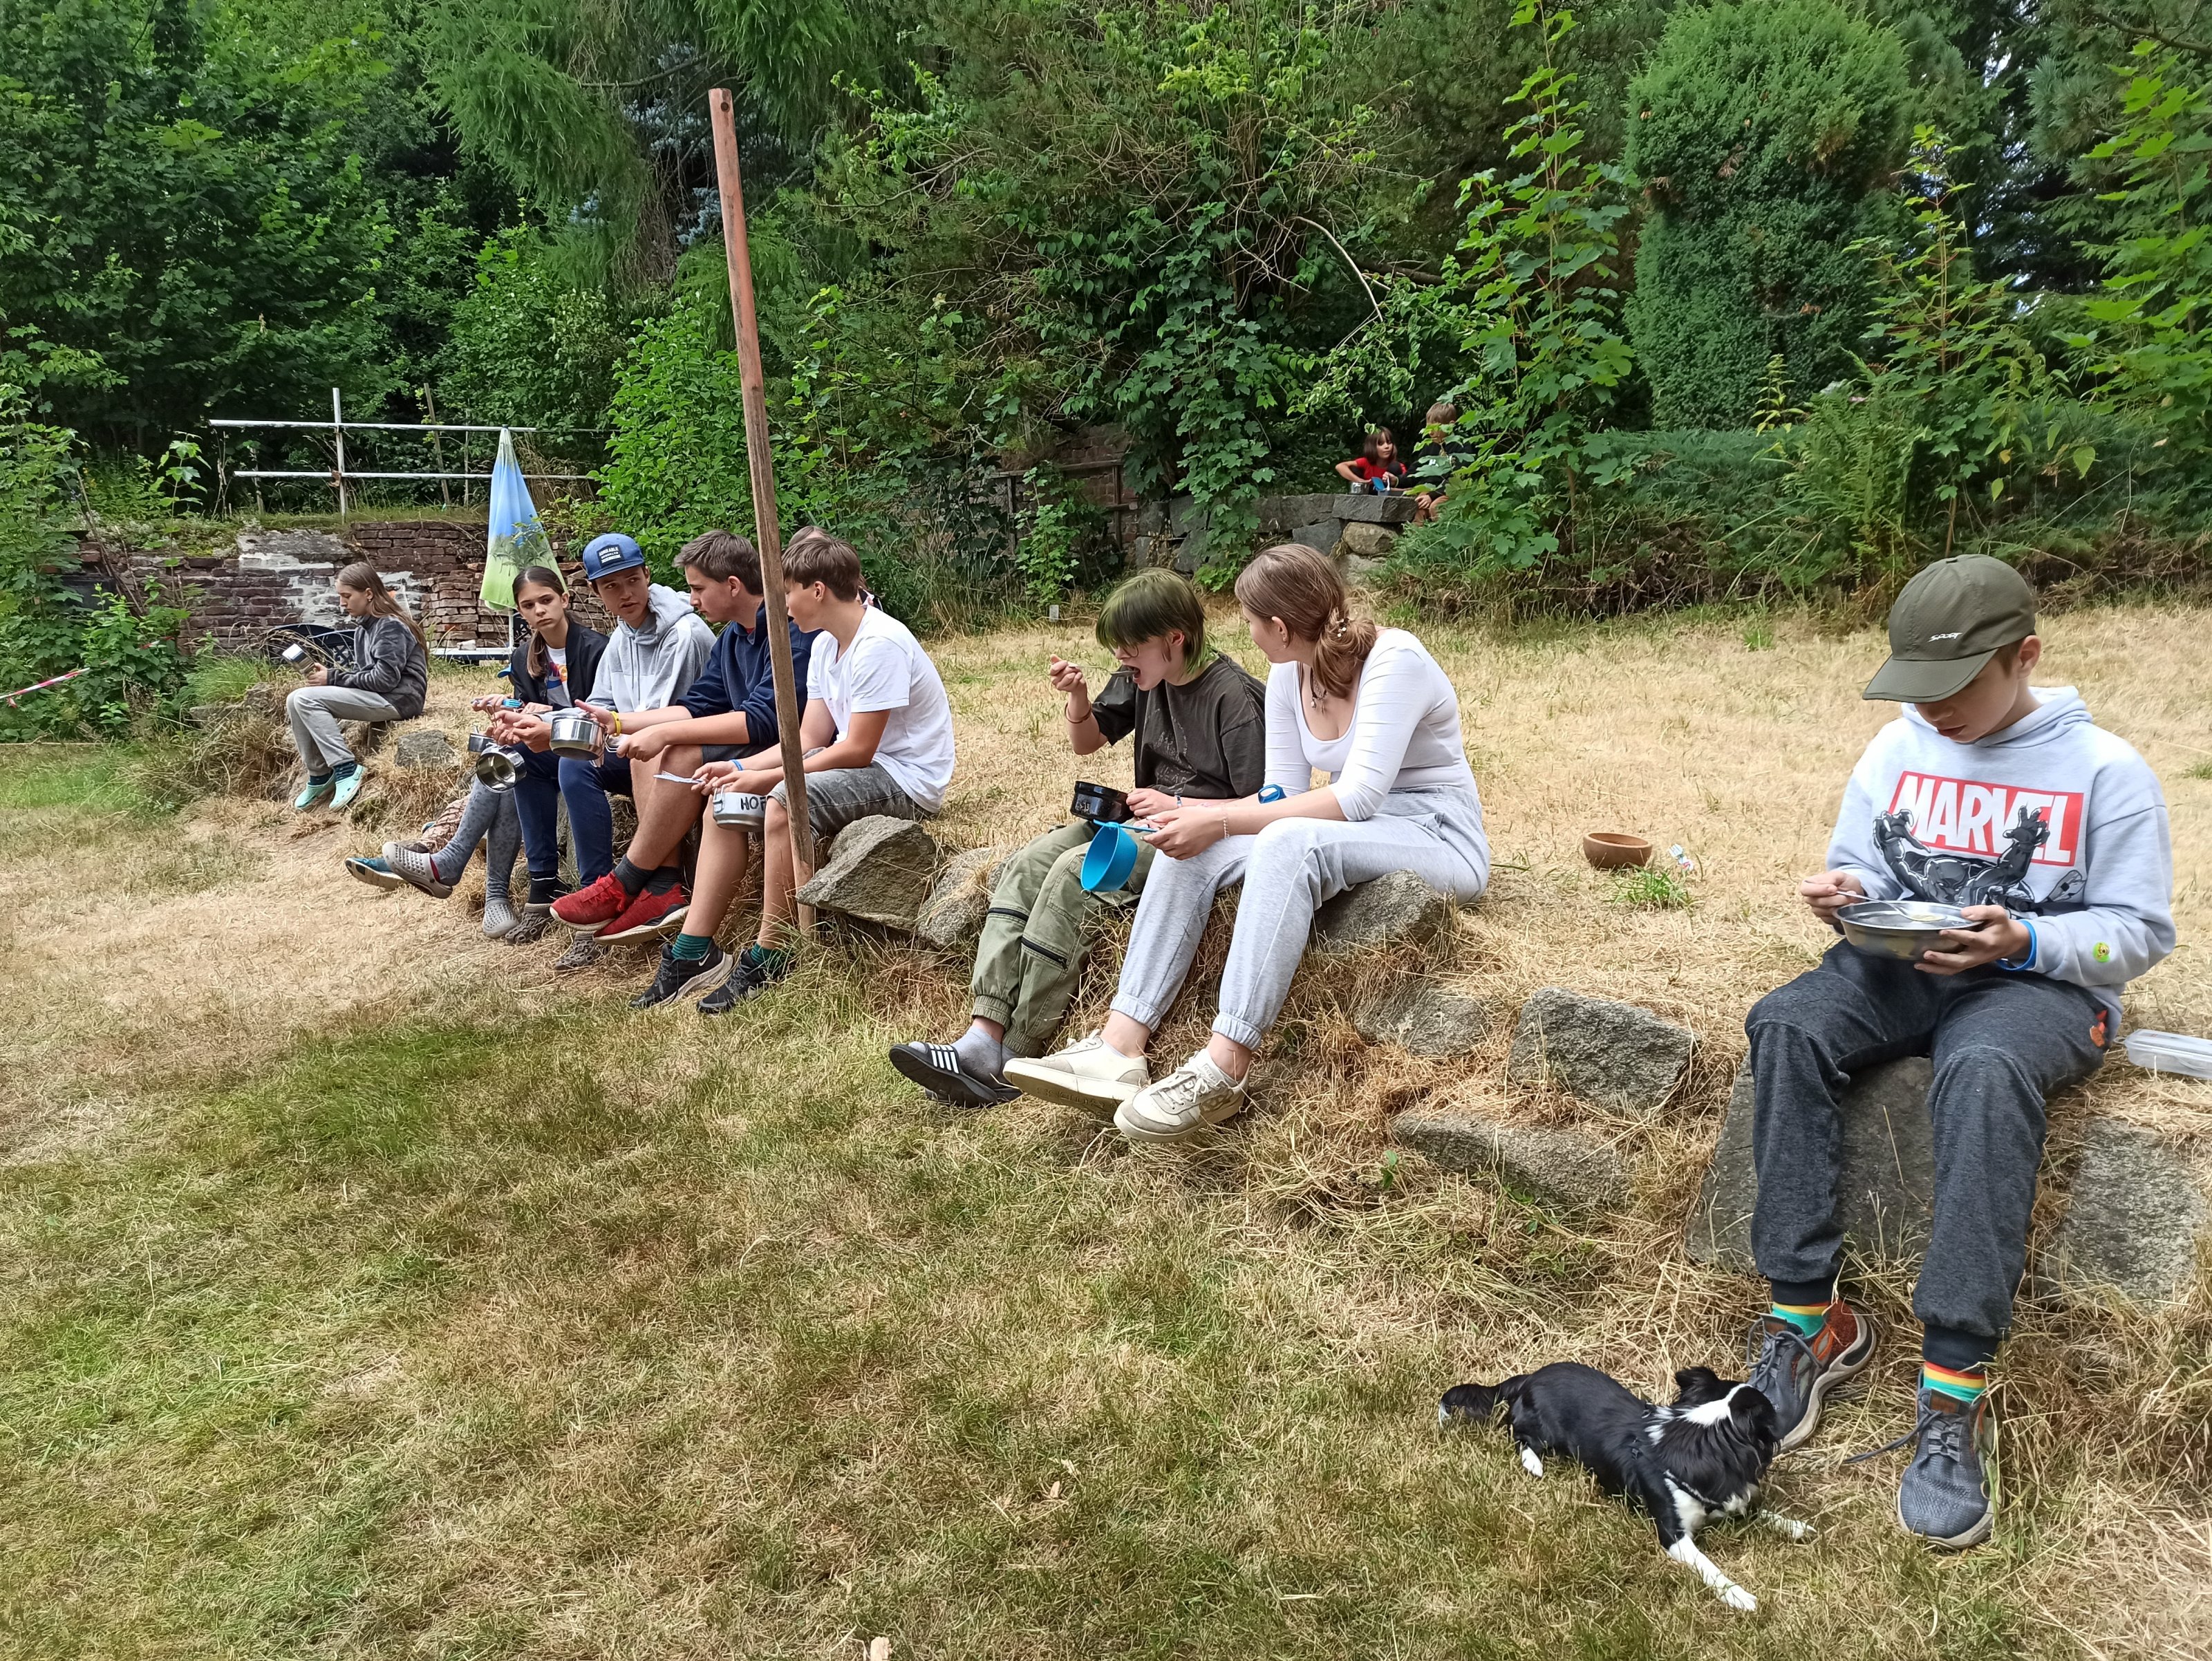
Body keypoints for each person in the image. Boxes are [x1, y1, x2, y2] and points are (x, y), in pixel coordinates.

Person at [1740, 554, 2172, 1551]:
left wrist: (2023, 939)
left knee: (1983, 1069)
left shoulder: (2105, 771)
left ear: (2025, 656)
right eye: (1916, 687)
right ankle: (1807, 1320)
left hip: (2039, 989)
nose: (1932, 709)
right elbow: (1861, 864)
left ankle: (1952, 1384)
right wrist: (1844, 894)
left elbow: (2138, 933)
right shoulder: (1898, 745)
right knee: (1786, 1022)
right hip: (1901, 966)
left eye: (1955, 686)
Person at [1006, 543, 1490, 1141]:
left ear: (1280, 627)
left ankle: (1224, 1067)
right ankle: (1119, 1046)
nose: (1247, 633)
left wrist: (1220, 820)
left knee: (1287, 842)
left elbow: (1358, 797)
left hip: (1436, 831)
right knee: (1194, 843)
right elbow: (1278, 792)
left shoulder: (1397, 660)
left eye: (1251, 620)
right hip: (1364, 827)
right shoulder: (1290, 672)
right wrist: (1193, 815)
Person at [886, 570, 1268, 1105]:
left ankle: (1012, 1056)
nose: (1120, 656)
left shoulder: (1235, 698)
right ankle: (982, 1034)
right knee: (1029, 862)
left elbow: (1264, 808)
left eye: (1130, 645)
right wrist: (1078, 697)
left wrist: (1180, 807)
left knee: (1074, 873)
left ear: (1175, 638)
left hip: (1192, 835)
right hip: (1137, 819)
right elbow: (1087, 741)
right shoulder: (1144, 674)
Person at [683, 528, 955, 1013]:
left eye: (787, 592)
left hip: (907, 779)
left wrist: (772, 779)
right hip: (870, 766)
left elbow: (858, 750)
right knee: (741, 795)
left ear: (817, 590)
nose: (783, 605)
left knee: (785, 801)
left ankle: (771, 950)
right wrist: (741, 767)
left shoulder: (880, 643)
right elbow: (808, 739)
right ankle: (706, 947)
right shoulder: (827, 646)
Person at [582, 529, 816, 1008]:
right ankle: (687, 941)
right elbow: (698, 705)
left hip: (792, 753)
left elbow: (767, 719)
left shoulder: (787, 630)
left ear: (732, 585)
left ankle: (633, 881)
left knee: (680, 752)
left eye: (697, 588)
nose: (691, 600)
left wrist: (666, 733)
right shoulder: (732, 638)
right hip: (762, 750)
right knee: (684, 769)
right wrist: (622, 722)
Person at [496, 531, 714, 969]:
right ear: (596, 592)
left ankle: (630, 887)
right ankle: (555, 886)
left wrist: (562, 730)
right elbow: (600, 707)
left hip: (679, 748)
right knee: (533, 757)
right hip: (631, 743)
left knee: (595, 759)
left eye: (632, 580)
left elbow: (660, 720)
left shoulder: (684, 634)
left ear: (647, 575)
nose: (625, 593)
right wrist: (539, 726)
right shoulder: (622, 636)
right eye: (612, 586)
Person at [368, 566, 606, 942]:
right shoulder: (525, 655)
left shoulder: (596, 649)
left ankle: (459, 867)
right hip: (544, 747)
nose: (539, 610)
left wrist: (544, 714)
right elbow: (526, 710)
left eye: (546, 600)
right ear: (520, 611)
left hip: (588, 747)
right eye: (528, 605)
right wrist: (507, 715)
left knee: (510, 759)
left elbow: (599, 712)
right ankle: (502, 890)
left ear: (564, 599)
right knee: (506, 755)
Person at [286, 563, 429, 811]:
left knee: (305, 699)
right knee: (295, 698)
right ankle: (320, 775)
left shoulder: (390, 626)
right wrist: (331, 678)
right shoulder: (363, 630)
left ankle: (346, 768)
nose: (342, 603)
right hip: (381, 696)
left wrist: (333, 678)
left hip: (400, 700)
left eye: (347, 596)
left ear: (368, 594)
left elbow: (385, 680)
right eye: (340, 596)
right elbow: (365, 675)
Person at [1412, 402, 1463, 523]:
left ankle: (1442, 533)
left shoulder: (1461, 446)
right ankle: (1417, 534)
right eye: (1428, 428)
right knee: (1417, 506)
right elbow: (1414, 472)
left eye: (1434, 428)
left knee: (1436, 507)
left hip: (1451, 490)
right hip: (1430, 490)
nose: (1430, 432)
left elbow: (1457, 477)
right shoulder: (1428, 447)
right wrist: (1397, 480)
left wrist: (1431, 496)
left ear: (1451, 425)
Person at [1333, 427, 1406, 494]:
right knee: (1353, 469)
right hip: (1366, 497)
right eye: (1381, 444)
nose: (1387, 447)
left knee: (1395, 467)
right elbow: (1340, 466)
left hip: (1392, 498)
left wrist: (1389, 489)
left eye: (1389, 443)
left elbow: (1408, 488)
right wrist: (1359, 480)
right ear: (1372, 446)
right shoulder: (1365, 462)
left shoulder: (1399, 466)